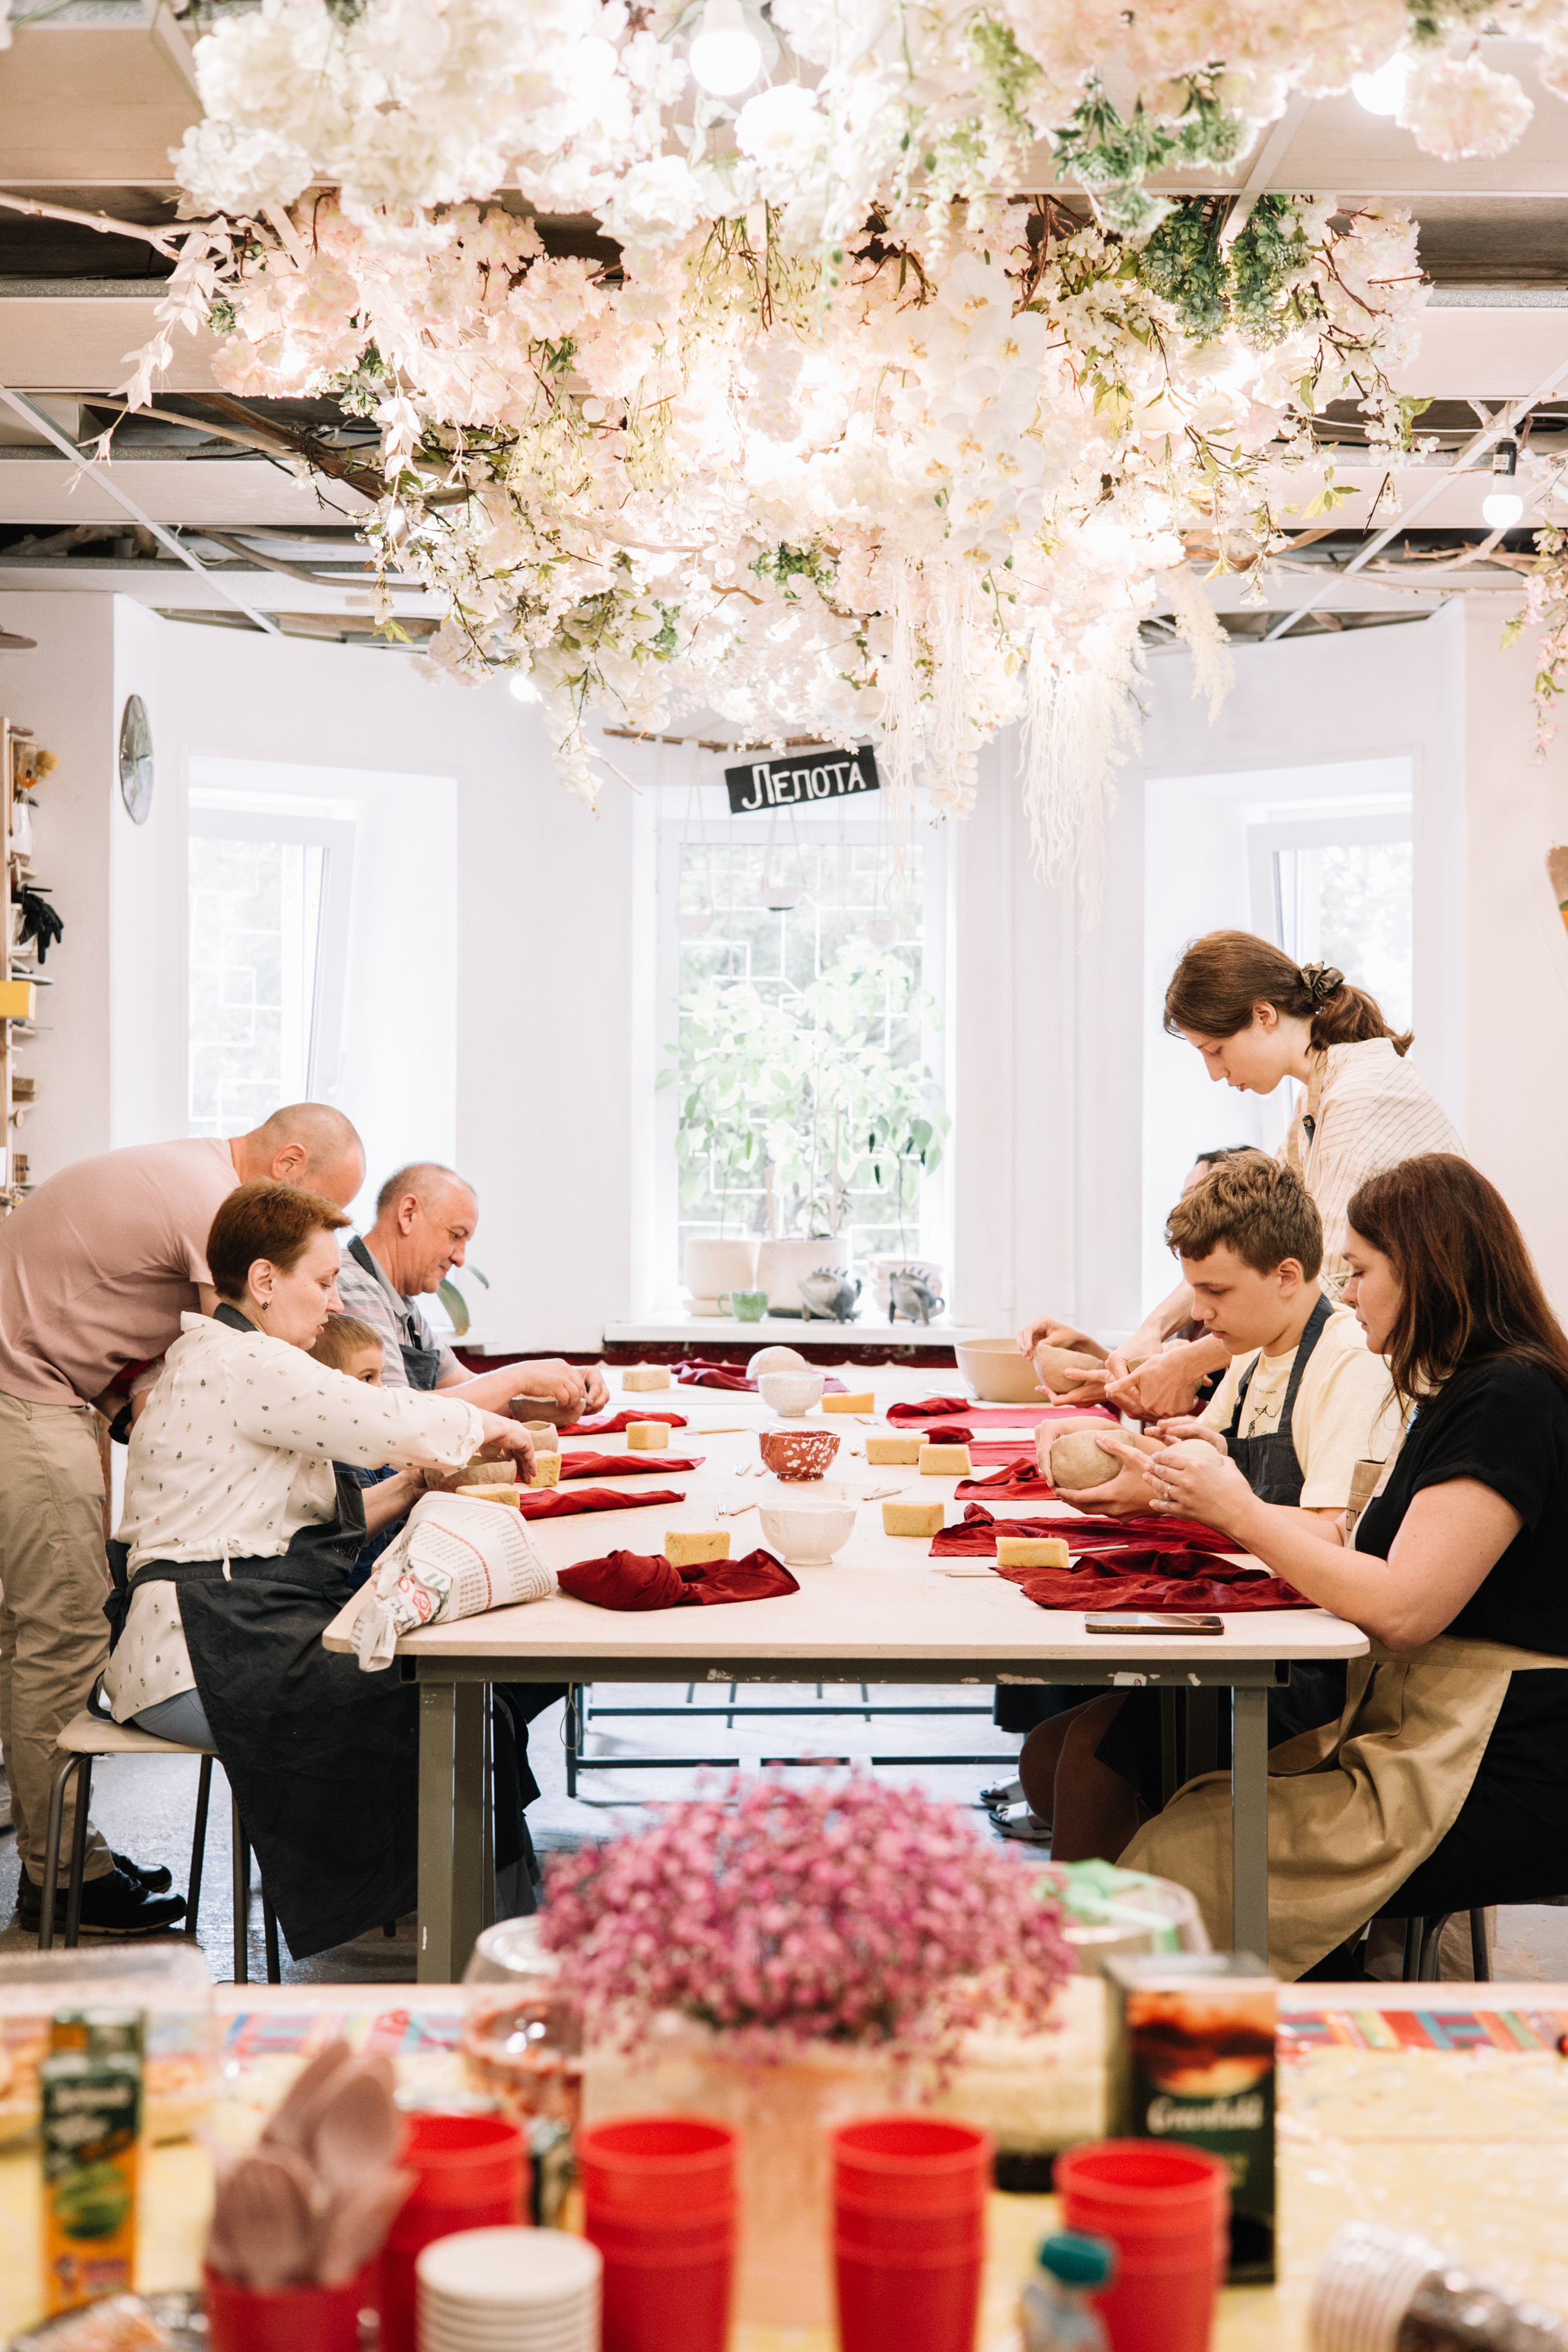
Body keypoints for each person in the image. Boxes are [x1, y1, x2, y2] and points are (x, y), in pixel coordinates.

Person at [1110, 1153, 1568, 1981]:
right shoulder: (1462, 1390)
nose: (1348, 1294)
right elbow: (1360, 1551)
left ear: (1425, 1271)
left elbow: (1404, 1609)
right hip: (1434, 1728)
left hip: (1506, 1759)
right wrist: (1201, 1490)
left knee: (1191, 1854)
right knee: (1195, 1808)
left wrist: (1239, 1511)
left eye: (1361, 1271)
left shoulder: (1509, 1398)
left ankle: (1256, 2044)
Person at [100, 1181, 538, 1958]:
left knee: (470, 1706)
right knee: (453, 1713)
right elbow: (382, 1415)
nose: (336, 1303)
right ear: (264, 1280)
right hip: (204, 1655)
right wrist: (491, 1421)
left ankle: (495, 1933)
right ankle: (493, 1951)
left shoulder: (217, 1357)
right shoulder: (248, 1361)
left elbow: (283, 1528)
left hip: (223, 1634)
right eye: (325, 1281)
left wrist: (413, 1485)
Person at [0, 1103, 365, 1936]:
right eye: (318, 1213)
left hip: (46, 1389)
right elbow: (252, 1351)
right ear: (289, 1163)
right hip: (27, 1397)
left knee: (27, 1640)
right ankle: (64, 1878)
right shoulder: (213, 1202)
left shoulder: (184, 1168)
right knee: (61, 1636)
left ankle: (64, 1856)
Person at [1016, 1159, 1401, 1858]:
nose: (1197, 1314)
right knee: (1047, 1755)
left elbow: (1333, 1536)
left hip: (1316, 1669)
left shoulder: (1347, 1364)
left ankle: (1155, 1905)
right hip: (1253, 1626)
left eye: (1215, 1291)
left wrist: (1171, 1496)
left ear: (1287, 1275)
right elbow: (1199, 1460)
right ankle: (1161, 1882)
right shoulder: (1254, 1353)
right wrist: (1088, 1438)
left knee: (1087, 1768)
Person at [1017, 934, 1463, 1426]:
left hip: (1435, 1367)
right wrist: (1151, 1333)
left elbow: (1323, 1288)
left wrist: (1186, 1361)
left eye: (1216, 1050)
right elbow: (1245, 1236)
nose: (1214, 1073)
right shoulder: (1321, 1093)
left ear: (1264, 1016)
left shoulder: (1361, 1095)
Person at [337, 1162, 608, 1417]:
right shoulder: (355, 1287)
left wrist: (566, 1385)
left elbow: (473, 1392)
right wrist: (520, 1378)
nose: (460, 1258)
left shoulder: (402, 1304)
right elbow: (395, 1416)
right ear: (408, 1214)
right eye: (456, 1235)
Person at [1014, 1146, 1265, 1407]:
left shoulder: (1243, 1314)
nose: (1185, 1210)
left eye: (1198, 1199)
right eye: (1184, 1199)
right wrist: (1086, 1347)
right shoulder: (1193, 1300)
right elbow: (1156, 1378)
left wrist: (1119, 1390)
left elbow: (1219, 1418)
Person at [307, 1314, 426, 1586]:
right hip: (349, 1588)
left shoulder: (363, 1444)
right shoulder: (338, 1454)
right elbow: (360, 1521)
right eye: (368, 1378)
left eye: (380, 1376)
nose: (381, 1390)